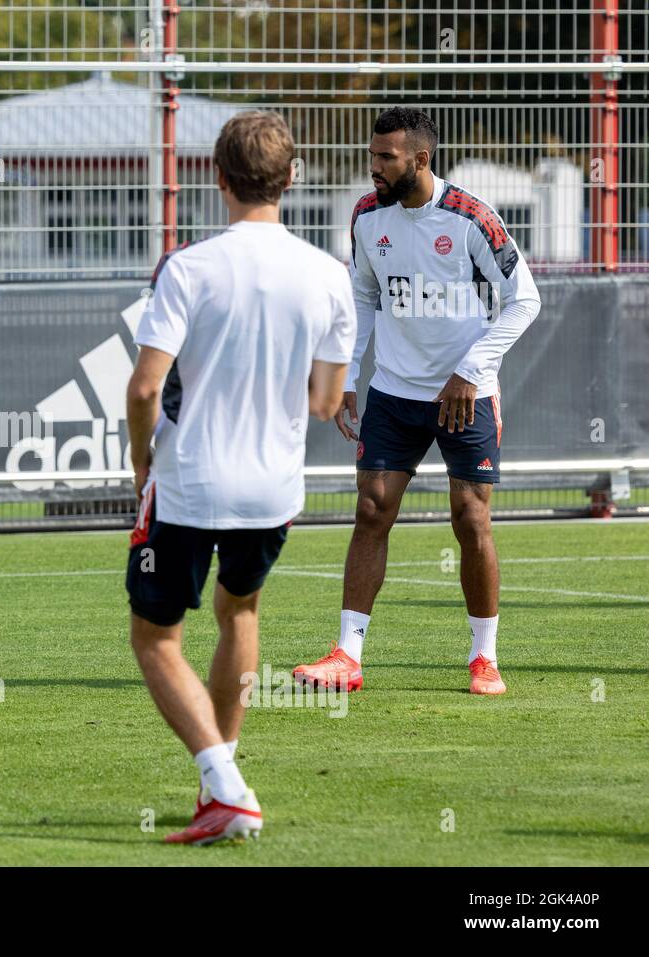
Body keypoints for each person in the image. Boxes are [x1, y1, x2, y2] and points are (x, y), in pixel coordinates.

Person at [125, 111, 356, 844]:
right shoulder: (329, 274)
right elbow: (325, 403)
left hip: (191, 480)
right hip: (274, 490)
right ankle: (216, 788)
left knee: (156, 638)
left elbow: (142, 389)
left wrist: (140, 459)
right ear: (291, 178)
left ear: (216, 178)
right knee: (240, 615)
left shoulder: (189, 266)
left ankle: (226, 784)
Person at [293, 107, 542, 696]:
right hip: (394, 392)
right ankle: (347, 656)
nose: (374, 167)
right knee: (372, 509)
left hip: (465, 394)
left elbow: (524, 300)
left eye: (387, 158)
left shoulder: (471, 218)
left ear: (421, 159)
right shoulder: (366, 214)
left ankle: (485, 658)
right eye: (372, 155)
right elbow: (363, 295)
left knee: (470, 518)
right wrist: (350, 372)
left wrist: (471, 370)